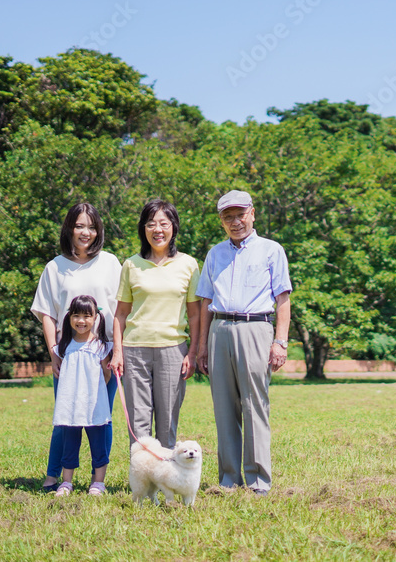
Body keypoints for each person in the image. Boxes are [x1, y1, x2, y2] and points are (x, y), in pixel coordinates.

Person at [195, 190, 292, 496]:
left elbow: (283, 300)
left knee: (254, 406)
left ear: (252, 213)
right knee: (223, 407)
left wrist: (281, 342)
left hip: (256, 329)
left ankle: (258, 480)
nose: (235, 222)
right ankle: (228, 479)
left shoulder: (271, 250)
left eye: (240, 214)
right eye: (228, 217)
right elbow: (204, 302)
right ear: (221, 220)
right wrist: (200, 346)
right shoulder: (214, 254)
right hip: (220, 327)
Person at [31, 202, 121, 493]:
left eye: (92, 227)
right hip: (68, 355)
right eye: (80, 225)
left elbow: (122, 309)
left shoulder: (110, 263)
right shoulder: (55, 267)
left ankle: (99, 480)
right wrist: (53, 352)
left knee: (101, 417)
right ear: (69, 228)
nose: (86, 232)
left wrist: (116, 351)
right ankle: (54, 476)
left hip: (103, 355)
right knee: (65, 416)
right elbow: (46, 312)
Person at [110, 199, 201, 450]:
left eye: (164, 223)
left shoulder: (189, 265)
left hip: (173, 350)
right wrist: (117, 352)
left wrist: (192, 353)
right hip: (134, 351)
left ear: (174, 227)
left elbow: (195, 315)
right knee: (138, 423)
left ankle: (166, 478)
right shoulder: (131, 264)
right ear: (143, 229)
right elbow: (120, 314)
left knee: (167, 422)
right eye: (151, 224)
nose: (157, 230)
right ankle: (143, 484)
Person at [51, 295, 113, 497]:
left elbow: (107, 373)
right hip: (71, 406)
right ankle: (66, 482)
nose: (81, 321)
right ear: (69, 317)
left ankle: (98, 482)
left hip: (95, 405)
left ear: (96, 317)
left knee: (98, 444)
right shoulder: (64, 346)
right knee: (70, 444)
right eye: (76, 315)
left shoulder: (101, 346)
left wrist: (93, 393)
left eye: (87, 316)